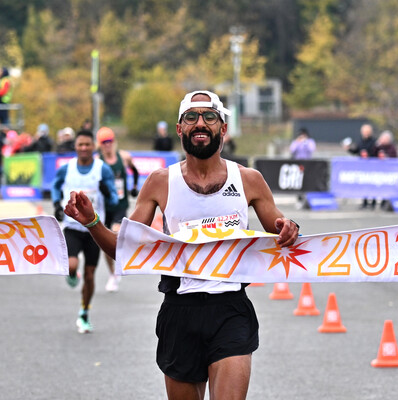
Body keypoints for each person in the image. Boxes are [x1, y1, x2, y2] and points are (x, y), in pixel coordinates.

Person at [63, 90, 299, 399]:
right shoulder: (160, 182)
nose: (200, 123)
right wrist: (92, 221)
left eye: (209, 116)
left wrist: (289, 228)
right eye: (191, 117)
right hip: (179, 311)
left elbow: (281, 229)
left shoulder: (248, 179)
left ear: (223, 128)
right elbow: (124, 249)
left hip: (230, 309)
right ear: (179, 128)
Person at [51, 130, 119, 334]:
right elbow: (55, 187)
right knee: (72, 265)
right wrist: (56, 203)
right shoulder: (67, 169)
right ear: (75, 146)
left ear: (93, 146)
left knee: (90, 275)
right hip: (72, 228)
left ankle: (84, 312)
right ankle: (72, 273)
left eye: (87, 144)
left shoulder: (102, 169)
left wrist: (107, 193)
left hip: (93, 229)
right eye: (80, 144)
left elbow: (114, 198)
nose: (84, 148)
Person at [96, 126, 139, 292]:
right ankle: (112, 273)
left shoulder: (124, 157)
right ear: (100, 145)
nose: (107, 145)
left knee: (115, 233)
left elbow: (134, 170)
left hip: (120, 205)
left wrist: (134, 187)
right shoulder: (98, 162)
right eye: (104, 142)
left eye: (109, 141)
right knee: (106, 243)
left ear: (114, 141)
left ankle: (119, 265)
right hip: (104, 207)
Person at [345, 123, 377, 209]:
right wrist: (349, 149)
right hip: (363, 167)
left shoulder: (374, 142)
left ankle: (373, 202)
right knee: (364, 184)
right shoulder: (361, 141)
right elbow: (356, 150)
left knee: (372, 185)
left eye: (367, 132)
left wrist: (368, 155)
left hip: (372, 166)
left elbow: (375, 152)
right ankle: (364, 201)